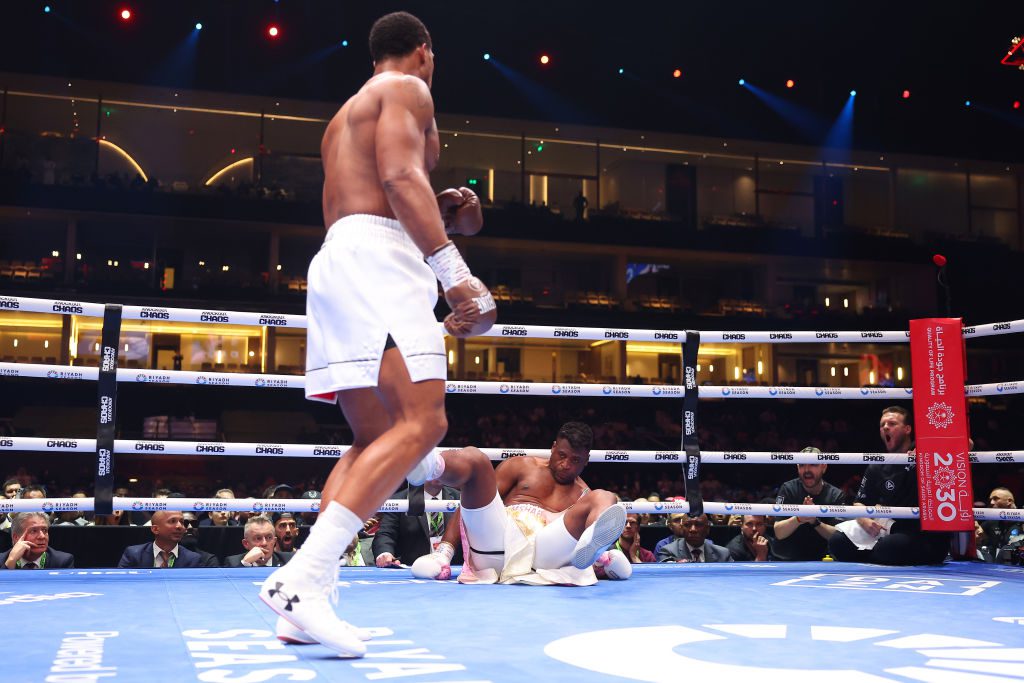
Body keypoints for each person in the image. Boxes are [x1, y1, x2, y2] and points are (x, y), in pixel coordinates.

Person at [409, 421, 626, 586]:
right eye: (562, 455)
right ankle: (429, 465)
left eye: (575, 460)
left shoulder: (583, 495)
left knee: (604, 497)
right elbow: (472, 505)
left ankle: (599, 556)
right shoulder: (521, 467)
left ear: (586, 460)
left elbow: (594, 525)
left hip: (543, 554)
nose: (565, 465)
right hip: (497, 541)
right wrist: (444, 552)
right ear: (553, 448)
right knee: (477, 459)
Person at [828, 406, 950, 565]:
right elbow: (860, 502)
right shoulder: (878, 465)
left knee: (890, 547)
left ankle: (874, 556)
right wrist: (864, 520)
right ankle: (878, 557)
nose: (886, 427)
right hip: (888, 528)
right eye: (882, 424)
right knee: (837, 541)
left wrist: (929, 456)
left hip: (919, 532)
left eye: (892, 423)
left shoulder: (925, 454)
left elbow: (966, 445)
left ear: (907, 429)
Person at [771, 450, 847, 561]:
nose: (807, 470)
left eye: (813, 464)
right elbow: (779, 532)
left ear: (824, 467)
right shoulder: (788, 489)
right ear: (797, 467)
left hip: (822, 560)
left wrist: (814, 521)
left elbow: (838, 538)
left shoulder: (836, 495)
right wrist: (799, 518)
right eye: (802, 465)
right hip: (785, 560)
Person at [372, 480, 462, 567]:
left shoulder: (460, 498)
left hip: (454, 569)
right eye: (433, 468)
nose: (438, 473)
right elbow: (386, 533)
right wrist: (385, 553)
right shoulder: (399, 499)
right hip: (413, 569)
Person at [117, 510, 208, 568]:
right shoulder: (134, 554)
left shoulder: (193, 559)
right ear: (155, 529)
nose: (180, 526)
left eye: (182, 522)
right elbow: (121, 585)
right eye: (172, 521)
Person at [1, 512, 75, 569]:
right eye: (34, 531)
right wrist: (11, 561)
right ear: (16, 537)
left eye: (44, 530)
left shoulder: (62, 561)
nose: (42, 536)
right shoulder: (2, 560)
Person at [657, 513, 732, 563]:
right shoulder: (668, 552)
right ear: (682, 528)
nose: (693, 530)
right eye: (687, 525)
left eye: (698, 524)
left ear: (707, 529)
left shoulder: (723, 554)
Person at [224, 515, 293, 567]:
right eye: (258, 538)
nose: (264, 543)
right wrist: (245, 563)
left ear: (274, 541)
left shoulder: (289, 561)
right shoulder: (233, 563)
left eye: (269, 537)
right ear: (246, 543)